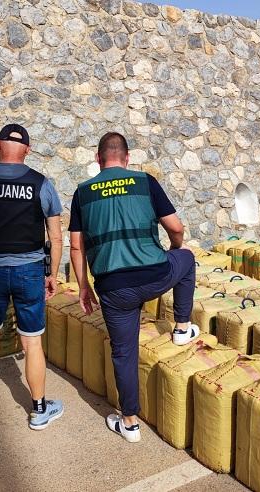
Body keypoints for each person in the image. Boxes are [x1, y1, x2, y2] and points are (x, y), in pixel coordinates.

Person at [68, 132, 199, 443]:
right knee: (188, 259)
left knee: (124, 352)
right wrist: (173, 250)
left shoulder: (82, 193)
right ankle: (182, 327)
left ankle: (129, 423)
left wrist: (84, 287)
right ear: (127, 158)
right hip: (155, 276)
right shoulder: (145, 182)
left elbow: (76, 247)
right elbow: (176, 228)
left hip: (115, 289)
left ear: (98, 160)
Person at [0, 123, 64, 432]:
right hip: (30, 272)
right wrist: (53, 275)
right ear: (28, 150)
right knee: (32, 344)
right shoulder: (41, 184)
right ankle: (39, 410)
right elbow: (56, 239)